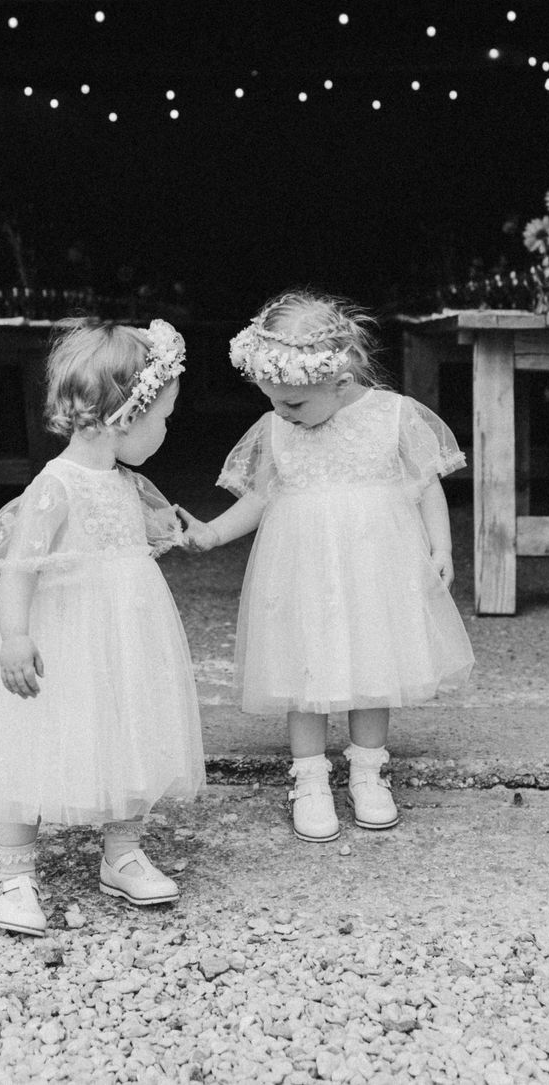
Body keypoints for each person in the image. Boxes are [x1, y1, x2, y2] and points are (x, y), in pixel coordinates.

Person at [176, 290, 473, 843]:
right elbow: (262, 497)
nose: (281, 414)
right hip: (303, 568)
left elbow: (425, 485)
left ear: (339, 378)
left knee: (374, 663)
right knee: (304, 666)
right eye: (272, 401)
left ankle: (368, 771)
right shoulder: (279, 426)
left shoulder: (392, 416)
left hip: (374, 565)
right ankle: (309, 778)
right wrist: (213, 533)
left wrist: (441, 549)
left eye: (293, 404)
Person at [0, 318, 205, 935]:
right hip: (62, 635)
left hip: (125, 632)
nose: (169, 430)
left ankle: (122, 850)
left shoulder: (127, 482)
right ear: (127, 414)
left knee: (129, 725)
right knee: (33, 736)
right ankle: (14, 871)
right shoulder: (55, 485)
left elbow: (138, 533)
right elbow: (20, 566)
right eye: (165, 417)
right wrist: (15, 635)